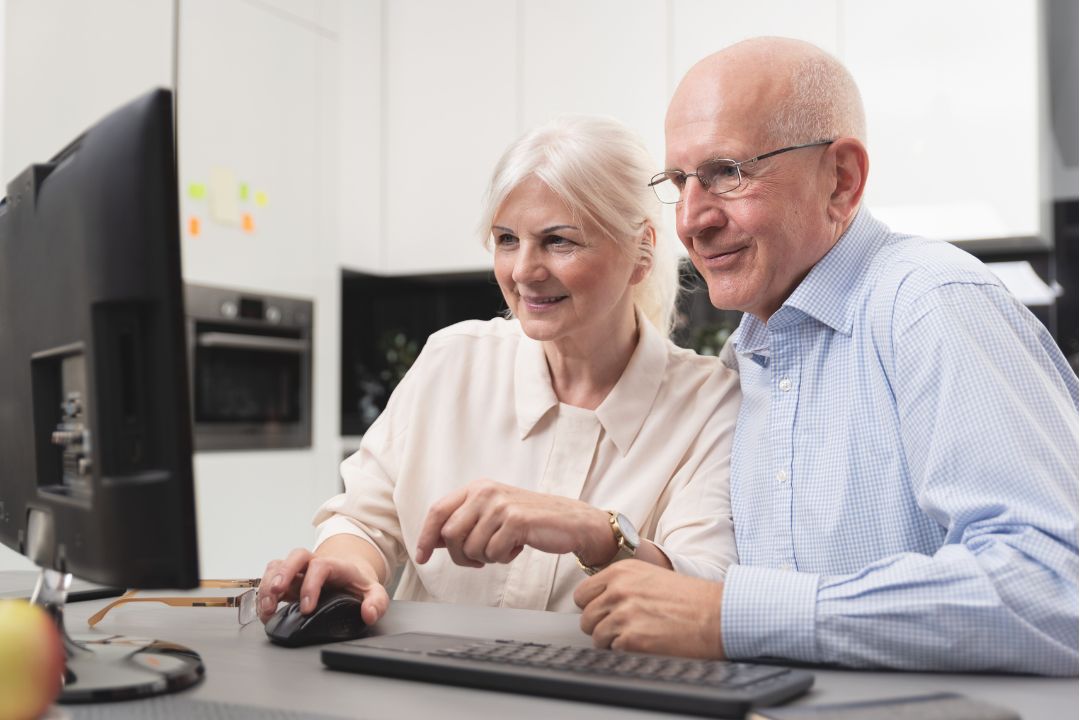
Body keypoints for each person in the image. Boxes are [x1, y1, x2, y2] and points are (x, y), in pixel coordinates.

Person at [574, 37, 1079, 676]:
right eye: (679, 181)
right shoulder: (745, 360)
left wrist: (731, 616)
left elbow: (1055, 588)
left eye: (728, 171)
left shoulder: (930, 303)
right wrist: (613, 545)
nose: (692, 220)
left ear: (841, 180)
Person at [257, 115, 741, 626]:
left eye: (559, 241)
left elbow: (706, 594)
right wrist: (342, 566)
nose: (523, 271)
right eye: (507, 239)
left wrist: (593, 530)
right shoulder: (453, 359)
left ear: (641, 252)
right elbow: (363, 518)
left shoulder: (708, 402)